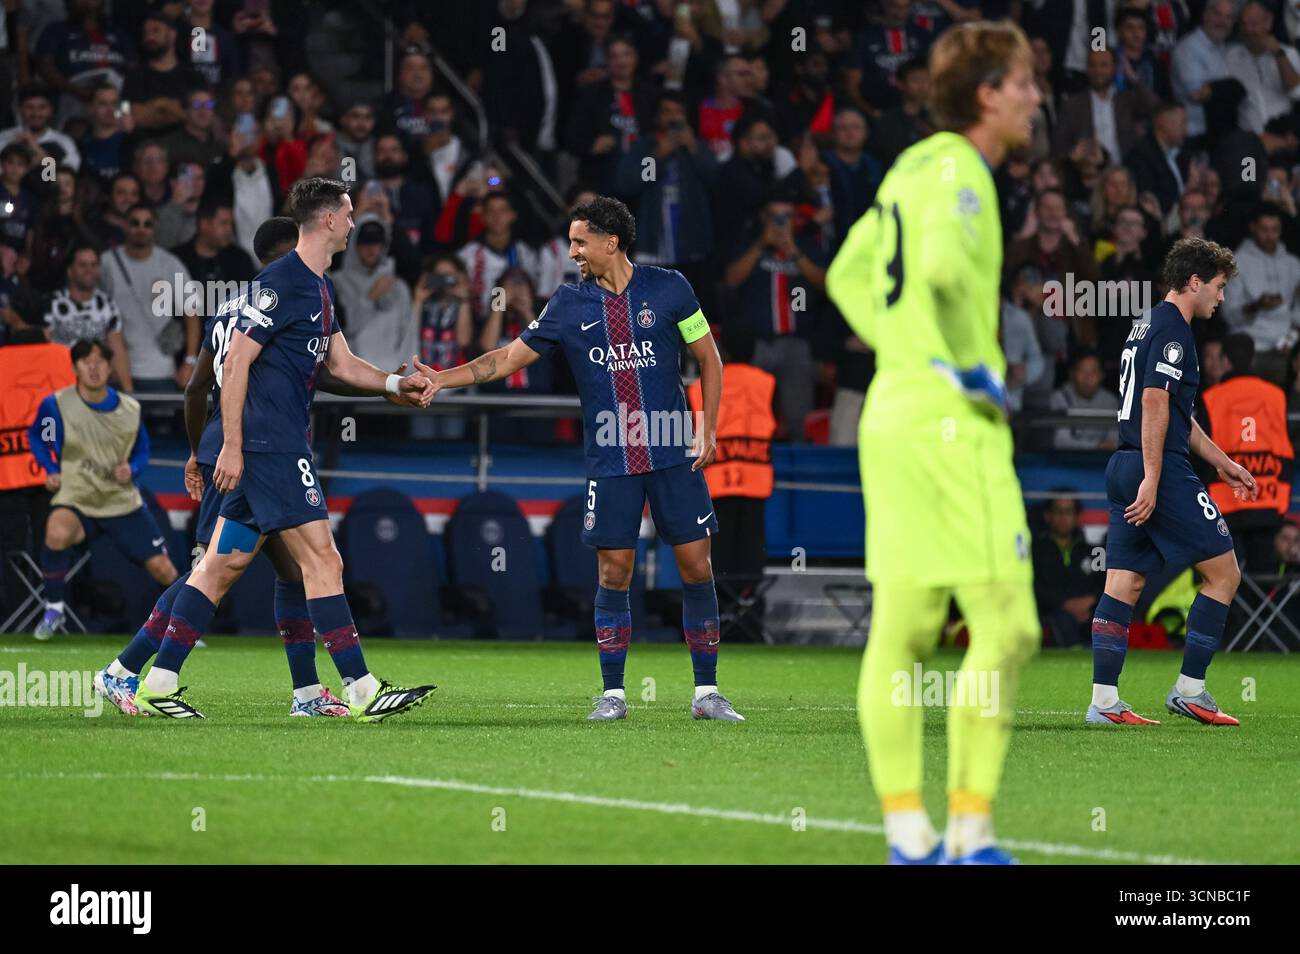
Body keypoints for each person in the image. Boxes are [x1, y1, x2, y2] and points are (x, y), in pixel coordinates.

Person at [95, 178, 438, 721]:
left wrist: (397, 386)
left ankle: (155, 680)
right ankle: (360, 687)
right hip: (269, 445)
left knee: (221, 564)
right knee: (322, 559)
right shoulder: (288, 284)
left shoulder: (315, 289)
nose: (354, 222)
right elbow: (234, 367)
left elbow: (342, 367)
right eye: (348, 213)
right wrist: (230, 445)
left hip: (255, 445)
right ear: (327, 220)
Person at [825, 20, 1043, 865]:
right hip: (956, 428)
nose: (1033, 96)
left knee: (906, 625)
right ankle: (973, 834)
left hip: (892, 416)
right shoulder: (965, 171)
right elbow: (949, 268)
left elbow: (844, 274)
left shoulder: (909, 166)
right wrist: (960, 370)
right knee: (1010, 623)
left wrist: (907, 353)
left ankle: (909, 835)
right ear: (987, 93)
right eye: (1022, 82)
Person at [418, 195, 741, 723]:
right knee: (614, 571)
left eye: (579, 242)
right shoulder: (568, 304)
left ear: (610, 242)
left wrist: (707, 427)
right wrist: (443, 378)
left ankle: (707, 692)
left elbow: (709, 357)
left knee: (696, 565)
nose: (572, 253)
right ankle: (613, 694)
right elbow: (505, 358)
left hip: (671, 449)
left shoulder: (670, 289)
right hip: (611, 457)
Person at [1092, 236, 1254, 728]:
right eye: (1219, 287)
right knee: (1224, 575)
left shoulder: (1145, 325)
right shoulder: (1173, 332)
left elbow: (1178, 414)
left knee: (1124, 581)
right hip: (1152, 466)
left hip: (1124, 464)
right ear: (1195, 281)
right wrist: (1155, 479)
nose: (1221, 298)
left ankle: (1103, 702)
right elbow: (1155, 404)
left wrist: (1223, 461)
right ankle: (1191, 690)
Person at [28, 338, 179, 639]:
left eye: (100, 361)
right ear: (74, 367)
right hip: (79, 496)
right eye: (86, 361)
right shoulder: (56, 404)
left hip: (120, 501)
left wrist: (131, 469)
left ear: (110, 368)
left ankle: (181, 627)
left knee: (165, 570)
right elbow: (40, 439)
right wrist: (51, 469)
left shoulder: (130, 408)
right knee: (57, 530)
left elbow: (142, 452)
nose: (93, 368)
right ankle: (54, 608)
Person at [42, 244, 133, 391]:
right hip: (59, 386)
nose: (89, 270)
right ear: (70, 271)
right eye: (82, 265)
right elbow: (41, 349)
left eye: (93, 264)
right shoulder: (52, 303)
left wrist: (129, 394)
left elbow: (118, 349)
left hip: (95, 388)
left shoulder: (107, 304)